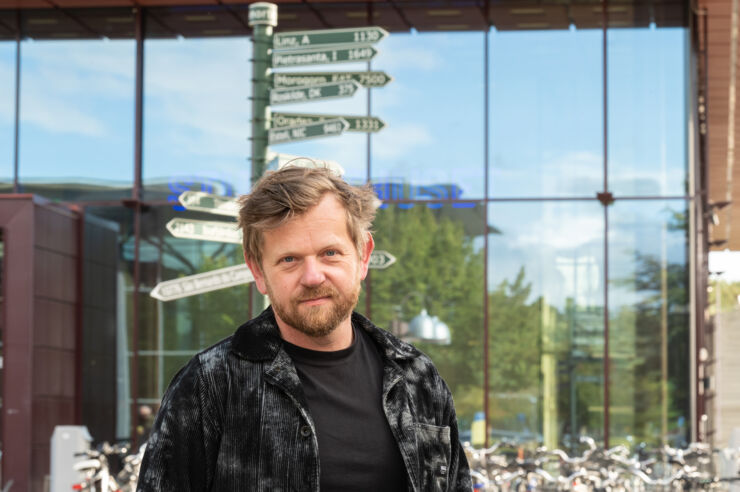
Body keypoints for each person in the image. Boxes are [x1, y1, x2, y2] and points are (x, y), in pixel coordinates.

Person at [136, 166, 472, 491]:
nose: (313, 277)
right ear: (258, 271)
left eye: (330, 253)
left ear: (363, 255)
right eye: (289, 259)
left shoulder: (418, 379)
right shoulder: (211, 385)